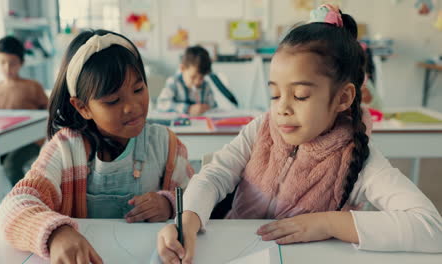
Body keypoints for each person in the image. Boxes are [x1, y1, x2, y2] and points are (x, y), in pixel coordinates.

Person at [157, 5, 442, 263]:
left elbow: (431, 228)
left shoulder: (359, 156)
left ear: (343, 98)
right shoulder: (262, 129)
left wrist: (327, 223)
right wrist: (189, 220)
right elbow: (214, 175)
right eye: (275, 93)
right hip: (234, 249)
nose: (282, 109)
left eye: (301, 95)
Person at [0, 30, 194, 263]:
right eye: (112, 101)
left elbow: (195, 198)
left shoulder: (165, 144)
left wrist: (169, 204)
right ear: (82, 107)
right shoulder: (65, 149)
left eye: (138, 89)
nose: (132, 106)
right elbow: (12, 207)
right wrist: (56, 233)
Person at [0, 36, 48, 207]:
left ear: (21, 63)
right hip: (4, 141)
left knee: (12, 164)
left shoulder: (33, 87)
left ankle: (22, 203)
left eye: (12, 63)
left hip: (31, 141)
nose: (7, 67)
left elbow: (48, 113)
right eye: (2, 62)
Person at [156, 46, 217, 116]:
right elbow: (161, 104)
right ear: (182, 68)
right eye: (193, 77)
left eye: (201, 77)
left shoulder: (206, 86)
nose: (197, 82)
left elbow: (214, 107)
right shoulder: (174, 82)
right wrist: (188, 109)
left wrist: (208, 108)